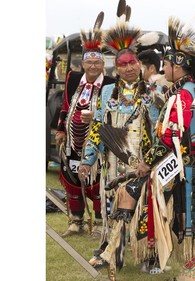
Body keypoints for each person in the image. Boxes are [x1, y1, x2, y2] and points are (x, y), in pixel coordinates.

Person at [135, 2, 195, 280]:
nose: (163, 68)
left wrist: (147, 162)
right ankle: (188, 270)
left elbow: (169, 137)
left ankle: (190, 273)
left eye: (166, 64)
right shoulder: (188, 92)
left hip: (183, 168)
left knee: (186, 215)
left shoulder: (181, 97)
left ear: (179, 67)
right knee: (187, 214)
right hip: (188, 166)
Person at [77, 1, 163, 279]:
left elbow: (159, 130)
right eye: (123, 65)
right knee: (115, 207)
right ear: (116, 68)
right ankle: (113, 251)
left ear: (139, 64)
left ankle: (148, 257)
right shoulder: (106, 94)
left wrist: (150, 162)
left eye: (132, 63)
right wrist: (87, 161)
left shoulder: (152, 93)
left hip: (142, 162)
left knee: (143, 209)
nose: (128, 69)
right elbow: (98, 129)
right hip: (114, 162)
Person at [55, 11, 115, 238]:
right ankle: (76, 221)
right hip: (72, 141)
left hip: (97, 142)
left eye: (97, 62)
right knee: (71, 178)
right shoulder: (72, 79)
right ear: (83, 63)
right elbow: (65, 106)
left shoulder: (111, 83)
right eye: (89, 62)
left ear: (103, 64)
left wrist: (99, 119)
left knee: (98, 181)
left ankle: (100, 223)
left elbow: (114, 112)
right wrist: (61, 129)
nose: (92, 66)